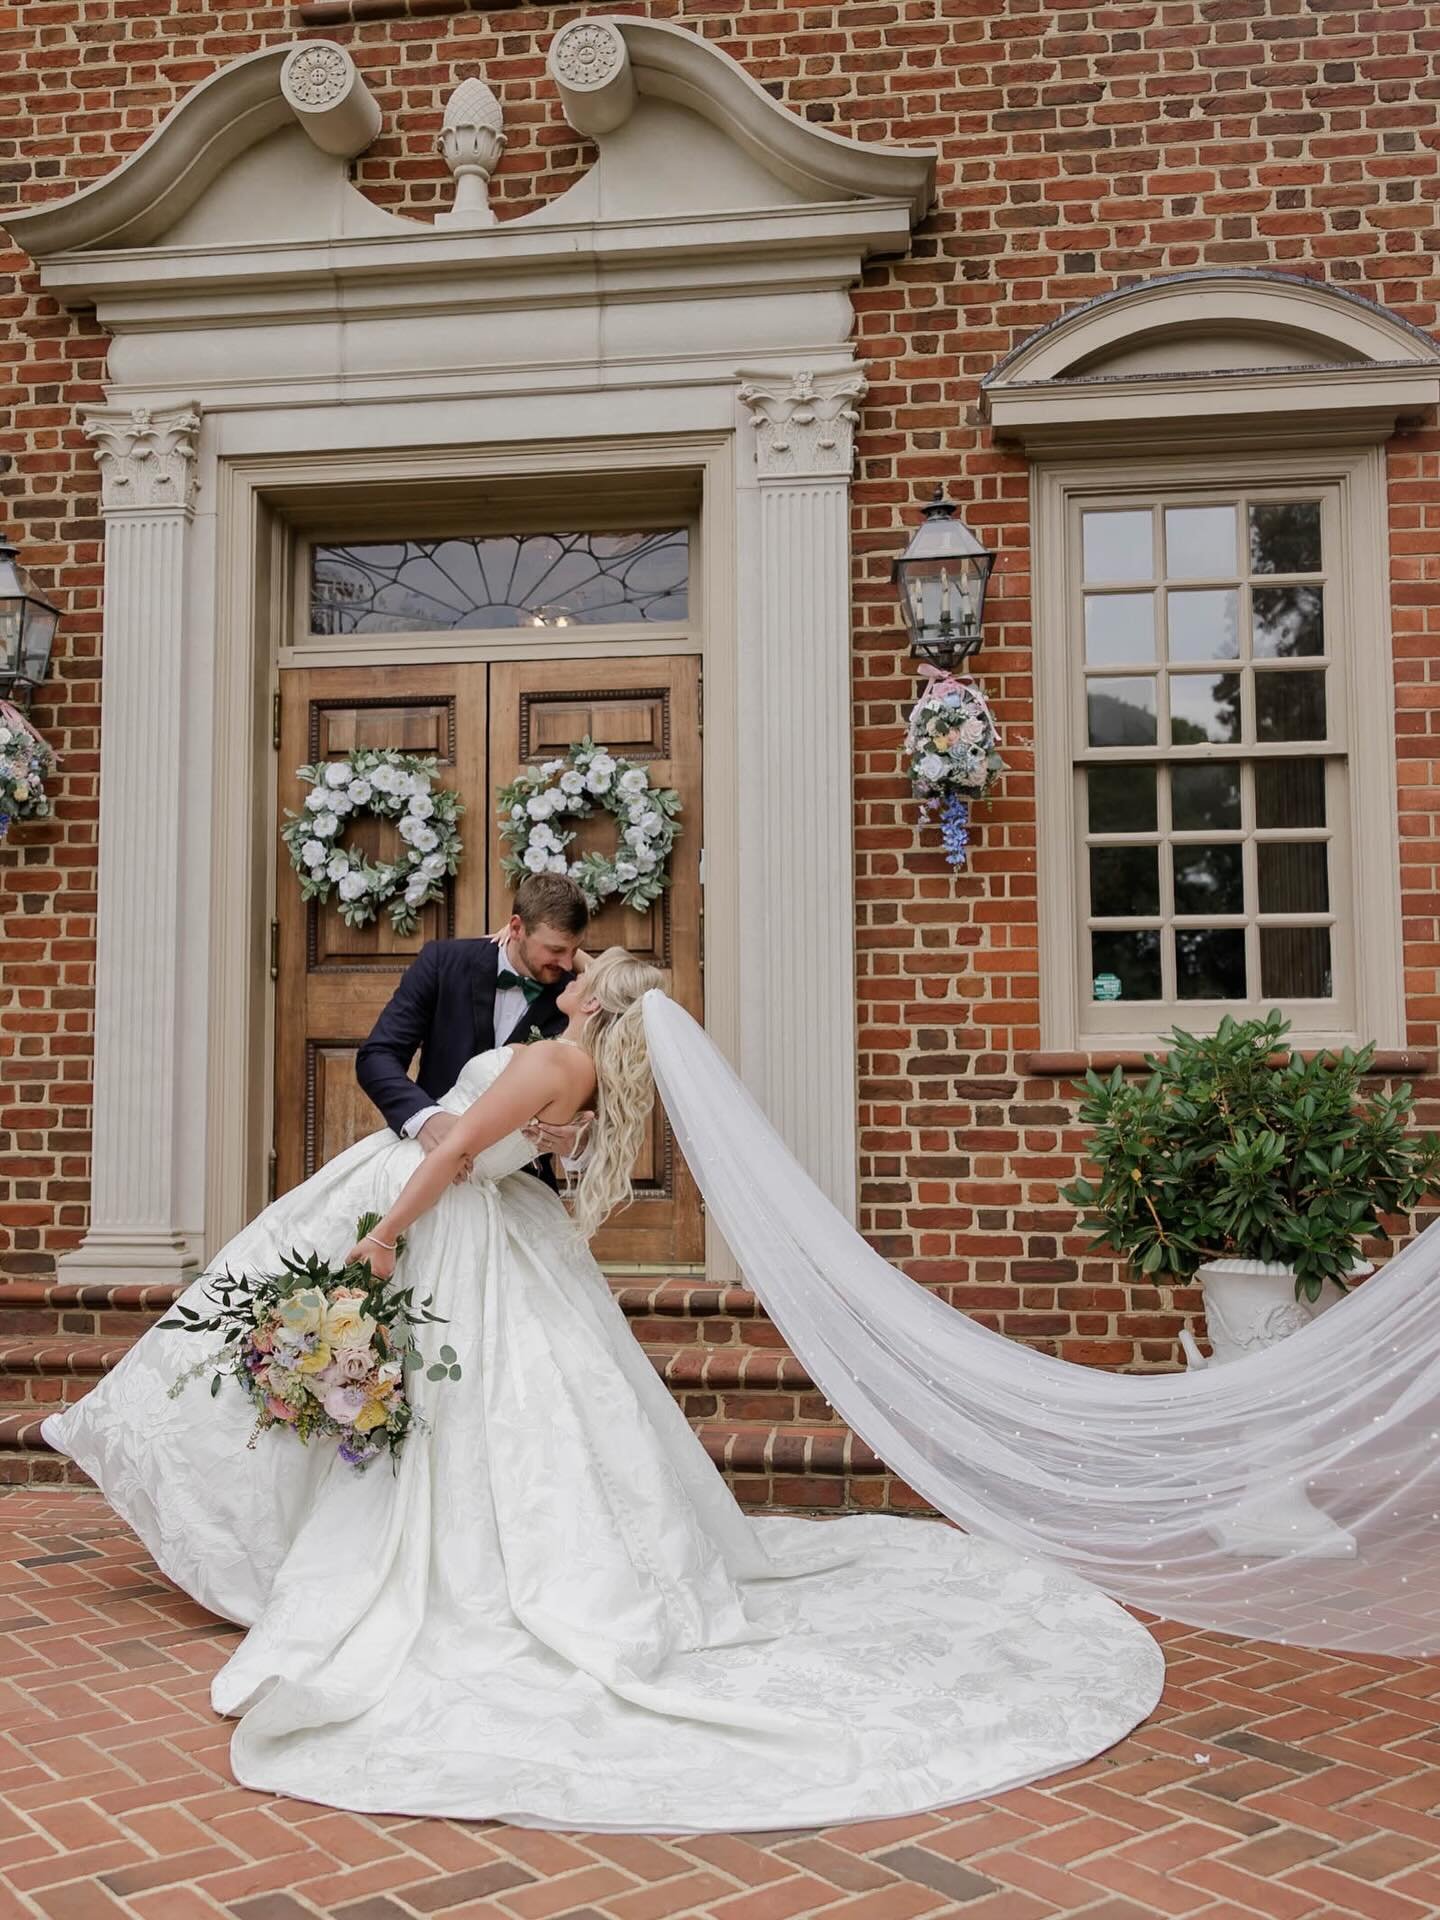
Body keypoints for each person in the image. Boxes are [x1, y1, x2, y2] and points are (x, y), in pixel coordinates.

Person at [40, 950, 1163, 1832]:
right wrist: (549, 1149)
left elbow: (447, 1153)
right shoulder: (570, 1069)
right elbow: (528, 1151)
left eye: (586, 967)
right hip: (503, 1241)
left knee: (435, 1404)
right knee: (521, 1418)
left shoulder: (546, 1059)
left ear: (592, 995)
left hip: (445, 1229)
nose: (569, 971)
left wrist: (382, 1237)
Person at [356, 871, 593, 1189]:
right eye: (555, 950)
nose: (566, 964)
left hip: (520, 1187)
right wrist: (426, 1118)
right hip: (423, 1165)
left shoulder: (577, 1001)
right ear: (517, 928)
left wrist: (575, 1146)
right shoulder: (443, 962)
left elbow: (641, 1006)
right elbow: (377, 1056)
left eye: (573, 950)